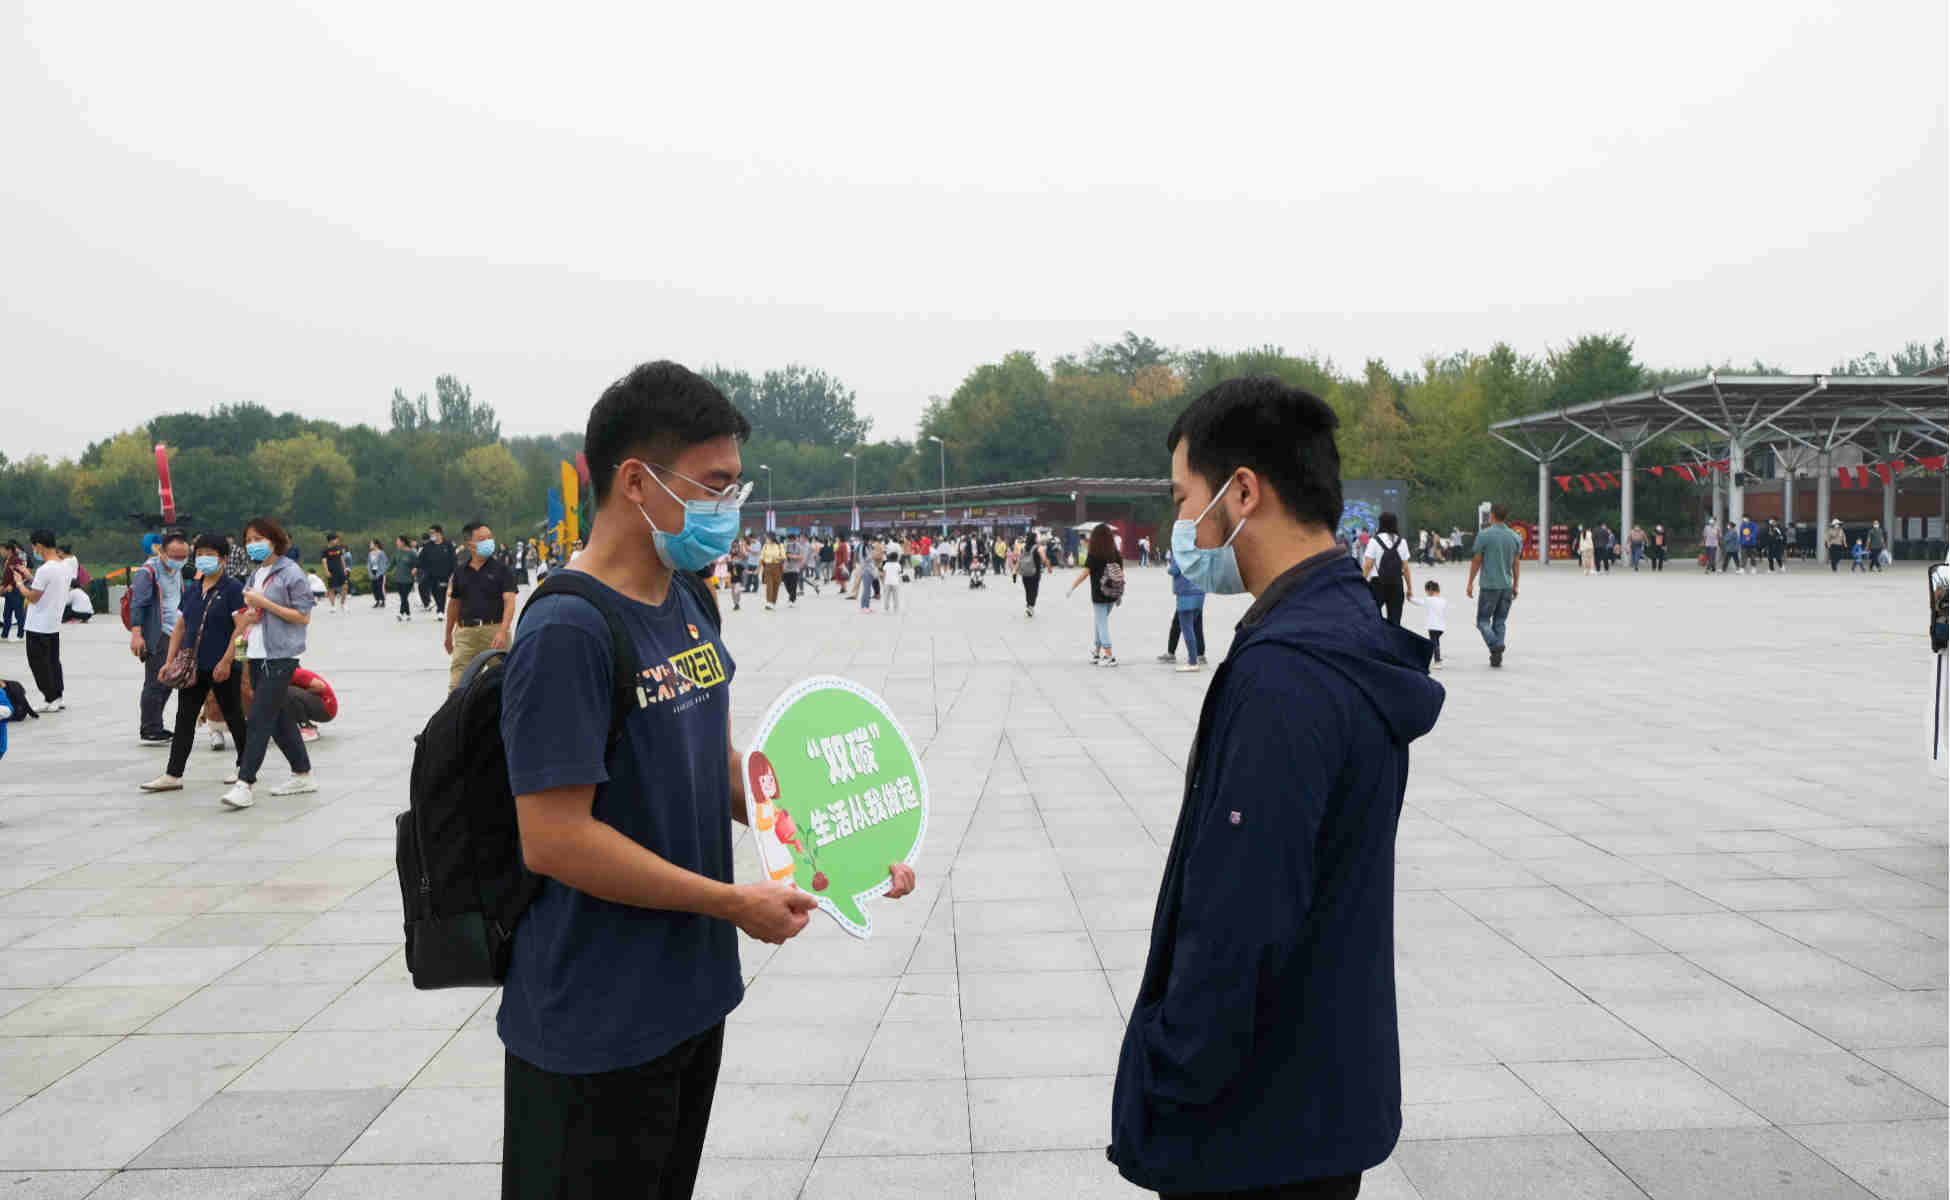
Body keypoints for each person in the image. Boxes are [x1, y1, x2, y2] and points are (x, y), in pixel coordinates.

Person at [497, 361, 915, 1200]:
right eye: (715, 486)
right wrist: (731, 902)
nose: (731, 507)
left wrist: (846, 840)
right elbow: (554, 839)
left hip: (690, 995)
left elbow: (713, 764)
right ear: (636, 481)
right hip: (595, 1019)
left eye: (735, 486)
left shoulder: (687, 600)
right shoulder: (569, 629)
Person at [1110, 375, 1443, 1199]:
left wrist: (1169, 1074)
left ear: (1243, 492)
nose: (1183, 525)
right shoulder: (1349, 628)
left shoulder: (1287, 674)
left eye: (1185, 499)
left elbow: (1240, 917)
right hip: (1319, 1099)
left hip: (1254, 1131)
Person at [141, 535, 248, 793]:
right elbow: (180, 627)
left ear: (223, 558)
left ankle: (245, 768)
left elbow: (242, 628)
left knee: (233, 716)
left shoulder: (233, 588)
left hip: (222, 666)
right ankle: (173, 774)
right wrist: (169, 661)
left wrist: (227, 660)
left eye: (210, 554)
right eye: (199, 554)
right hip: (193, 666)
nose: (203, 559)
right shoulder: (192, 589)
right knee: (184, 718)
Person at [224, 516, 317, 809]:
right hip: (257, 652)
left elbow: (302, 616)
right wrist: (251, 614)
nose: (252, 544)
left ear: (274, 540)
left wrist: (265, 604)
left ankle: (245, 783)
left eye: (258, 539)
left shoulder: (291, 573)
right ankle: (302, 773)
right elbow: (251, 611)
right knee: (277, 717)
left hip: (281, 656)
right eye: (248, 540)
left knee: (259, 718)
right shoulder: (256, 574)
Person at [128, 530, 193, 745]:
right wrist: (137, 635)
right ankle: (150, 728)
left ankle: (155, 725)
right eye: (175, 556)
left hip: (175, 631)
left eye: (183, 556)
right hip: (158, 633)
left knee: (169, 680)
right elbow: (137, 604)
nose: (179, 560)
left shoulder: (177, 570)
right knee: (156, 681)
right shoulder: (147, 572)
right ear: (162, 552)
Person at [444, 522, 518, 690]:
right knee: (457, 684)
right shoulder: (460, 572)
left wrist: (503, 631)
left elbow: (510, 602)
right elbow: (454, 605)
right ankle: (458, 707)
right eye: (483, 538)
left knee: (504, 682)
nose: (489, 542)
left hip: (494, 632)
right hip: (466, 635)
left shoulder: (502, 570)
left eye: (490, 537)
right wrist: (448, 634)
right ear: (470, 544)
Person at [19, 532, 74, 712]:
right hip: (53, 623)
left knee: (38, 663)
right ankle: (57, 696)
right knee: (52, 662)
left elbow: (33, 597)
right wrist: (29, 576)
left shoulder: (45, 569)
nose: (34, 550)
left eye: (34, 547)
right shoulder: (65, 566)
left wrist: (20, 584)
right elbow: (47, 587)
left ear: (40, 546)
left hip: (38, 624)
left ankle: (50, 697)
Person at [1466, 504, 1522, 668]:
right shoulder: (1515, 537)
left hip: (1489, 586)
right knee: (1500, 621)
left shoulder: (1484, 535)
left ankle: (1495, 644)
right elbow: (1516, 564)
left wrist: (1470, 582)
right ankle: (1496, 656)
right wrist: (1516, 585)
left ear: (1492, 515)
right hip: (1506, 585)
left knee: (1482, 621)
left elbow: (1477, 561)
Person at [1068, 523, 1123, 666]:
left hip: (1099, 594)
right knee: (1100, 621)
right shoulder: (1116, 553)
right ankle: (1097, 652)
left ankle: (1109, 656)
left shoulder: (1094, 554)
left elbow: (1085, 574)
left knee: (1101, 623)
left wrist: (1072, 587)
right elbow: (1120, 575)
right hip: (1112, 594)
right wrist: (1119, 595)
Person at [1360, 511, 1412, 626]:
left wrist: (1361, 584)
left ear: (1380, 523)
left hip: (1377, 584)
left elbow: (1368, 566)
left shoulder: (1374, 541)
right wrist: (1409, 588)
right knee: (1395, 621)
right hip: (1396, 583)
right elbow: (1406, 568)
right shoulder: (1402, 541)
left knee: (1372, 618)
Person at [1164, 548, 1205, 672]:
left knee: (1187, 629)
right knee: (1195, 626)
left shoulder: (1180, 553)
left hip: (1186, 595)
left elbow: (1174, 570)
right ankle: (1199, 655)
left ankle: (1193, 662)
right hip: (1200, 593)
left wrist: (1168, 566)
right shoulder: (1200, 552)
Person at [286, 667, 337, 742]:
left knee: (288, 692)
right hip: (319, 706)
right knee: (283, 696)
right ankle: (306, 726)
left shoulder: (294, 674)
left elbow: (320, 686)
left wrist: (303, 693)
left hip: (327, 708)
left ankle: (307, 728)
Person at [1407, 578, 1447, 669]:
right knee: (1436, 642)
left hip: (1432, 626)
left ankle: (1437, 661)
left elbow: (1418, 602)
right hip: (1441, 627)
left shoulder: (1429, 600)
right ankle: (1438, 657)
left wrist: (1410, 598)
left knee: (1434, 643)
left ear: (1429, 591)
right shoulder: (1443, 600)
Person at [420, 525, 455, 613]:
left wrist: (454, 572)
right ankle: (428, 603)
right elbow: (421, 558)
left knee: (442, 592)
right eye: (430, 533)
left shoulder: (448, 544)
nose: (430, 535)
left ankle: (441, 611)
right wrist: (416, 567)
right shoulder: (428, 546)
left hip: (444, 574)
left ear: (439, 533)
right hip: (430, 574)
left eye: (432, 533)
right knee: (423, 586)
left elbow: (453, 559)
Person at [0, 540, 26, 640]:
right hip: (8, 591)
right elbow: (6, 577)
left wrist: (12, 584)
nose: (1, 552)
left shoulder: (16, 560)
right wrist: (3, 586)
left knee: (19, 613)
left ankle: (21, 635)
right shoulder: (7, 561)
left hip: (16, 590)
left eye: (2, 550)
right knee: (6, 614)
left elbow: (21, 574)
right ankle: (4, 635)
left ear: (9, 550)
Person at [321, 533, 350, 612]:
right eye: (336, 539)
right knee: (331, 589)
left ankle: (343, 604)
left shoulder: (339, 548)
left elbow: (342, 558)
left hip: (340, 571)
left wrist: (344, 569)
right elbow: (324, 561)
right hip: (331, 572)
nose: (337, 541)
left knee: (345, 587)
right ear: (331, 540)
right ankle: (333, 606)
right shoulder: (325, 550)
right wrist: (326, 571)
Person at [758, 533, 785, 610]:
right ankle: (768, 602)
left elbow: (783, 557)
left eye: (767, 538)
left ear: (772, 538)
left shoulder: (780, 546)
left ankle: (773, 602)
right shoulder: (765, 546)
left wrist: (776, 557)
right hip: (767, 567)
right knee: (769, 585)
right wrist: (758, 569)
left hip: (777, 567)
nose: (766, 539)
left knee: (776, 585)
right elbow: (761, 558)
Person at [782, 533, 807, 605]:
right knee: (787, 585)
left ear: (794, 540)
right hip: (785, 569)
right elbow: (782, 555)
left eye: (791, 540)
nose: (790, 542)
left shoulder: (799, 546)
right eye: (789, 540)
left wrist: (793, 557)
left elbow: (801, 557)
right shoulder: (784, 546)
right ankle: (792, 596)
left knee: (793, 584)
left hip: (795, 569)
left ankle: (792, 600)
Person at [367, 539, 390, 609]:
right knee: (374, 587)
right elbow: (369, 564)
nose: (370, 545)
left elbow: (385, 563)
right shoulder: (370, 553)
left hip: (380, 572)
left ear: (376, 545)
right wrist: (370, 572)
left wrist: (381, 573)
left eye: (371, 544)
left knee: (380, 587)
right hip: (373, 571)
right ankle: (377, 601)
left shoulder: (381, 553)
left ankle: (382, 601)